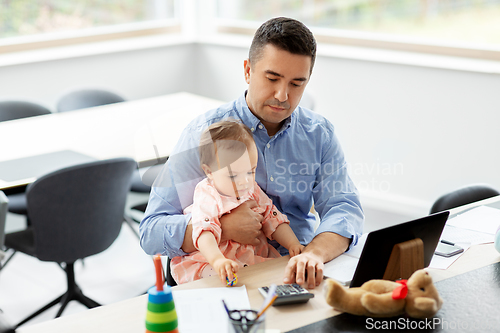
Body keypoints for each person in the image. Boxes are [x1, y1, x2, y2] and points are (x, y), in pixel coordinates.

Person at [140, 17, 364, 289]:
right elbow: (151, 231)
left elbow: (345, 208)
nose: (282, 95)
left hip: (295, 270)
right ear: (247, 71)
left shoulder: (320, 134)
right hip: (226, 277)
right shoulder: (205, 134)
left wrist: (314, 253)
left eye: (296, 84)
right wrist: (223, 226)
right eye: (272, 78)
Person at [170, 120, 304, 284]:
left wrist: (293, 243)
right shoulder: (208, 194)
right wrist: (218, 260)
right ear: (209, 171)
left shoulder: (252, 189)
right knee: (222, 278)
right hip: (210, 260)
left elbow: (272, 216)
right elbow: (204, 232)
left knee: (275, 274)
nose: (244, 181)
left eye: (251, 171)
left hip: (248, 258)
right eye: (233, 175)